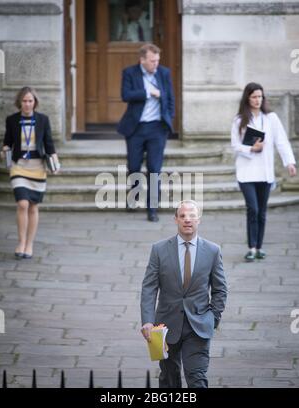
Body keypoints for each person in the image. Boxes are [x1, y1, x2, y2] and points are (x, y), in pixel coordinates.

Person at [140, 200, 227, 388]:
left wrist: (213, 317)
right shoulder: (159, 249)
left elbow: (220, 289)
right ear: (176, 220)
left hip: (199, 326)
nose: (187, 220)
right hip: (166, 326)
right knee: (169, 379)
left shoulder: (212, 251)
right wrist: (147, 320)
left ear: (199, 220)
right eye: (183, 216)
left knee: (197, 377)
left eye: (192, 216)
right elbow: (149, 287)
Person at [231, 82, 297, 262]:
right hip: (246, 172)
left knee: (262, 212)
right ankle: (251, 248)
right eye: (254, 97)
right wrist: (251, 149)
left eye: (260, 96)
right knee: (252, 209)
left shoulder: (271, 118)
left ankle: (259, 247)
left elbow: (281, 141)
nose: (257, 100)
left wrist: (289, 162)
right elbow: (235, 145)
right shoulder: (239, 120)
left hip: (265, 172)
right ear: (247, 98)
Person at [117, 43, 175, 222]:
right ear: (142, 60)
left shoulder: (164, 73)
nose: (155, 64)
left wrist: (168, 119)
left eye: (157, 60)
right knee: (133, 166)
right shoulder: (130, 72)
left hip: (157, 128)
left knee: (154, 169)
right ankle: (134, 197)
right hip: (136, 128)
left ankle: (152, 209)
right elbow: (125, 95)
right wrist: (149, 93)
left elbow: (170, 98)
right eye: (152, 61)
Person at [1, 86, 59, 259]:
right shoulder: (12, 120)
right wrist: (4, 151)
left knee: (33, 206)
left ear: (35, 102)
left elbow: (49, 144)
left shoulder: (43, 120)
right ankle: (20, 242)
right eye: (24, 101)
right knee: (22, 204)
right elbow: (7, 142)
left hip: (38, 167)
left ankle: (29, 244)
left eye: (30, 101)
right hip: (19, 166)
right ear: (19, 102)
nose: (27, 104)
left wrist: (55, 163)